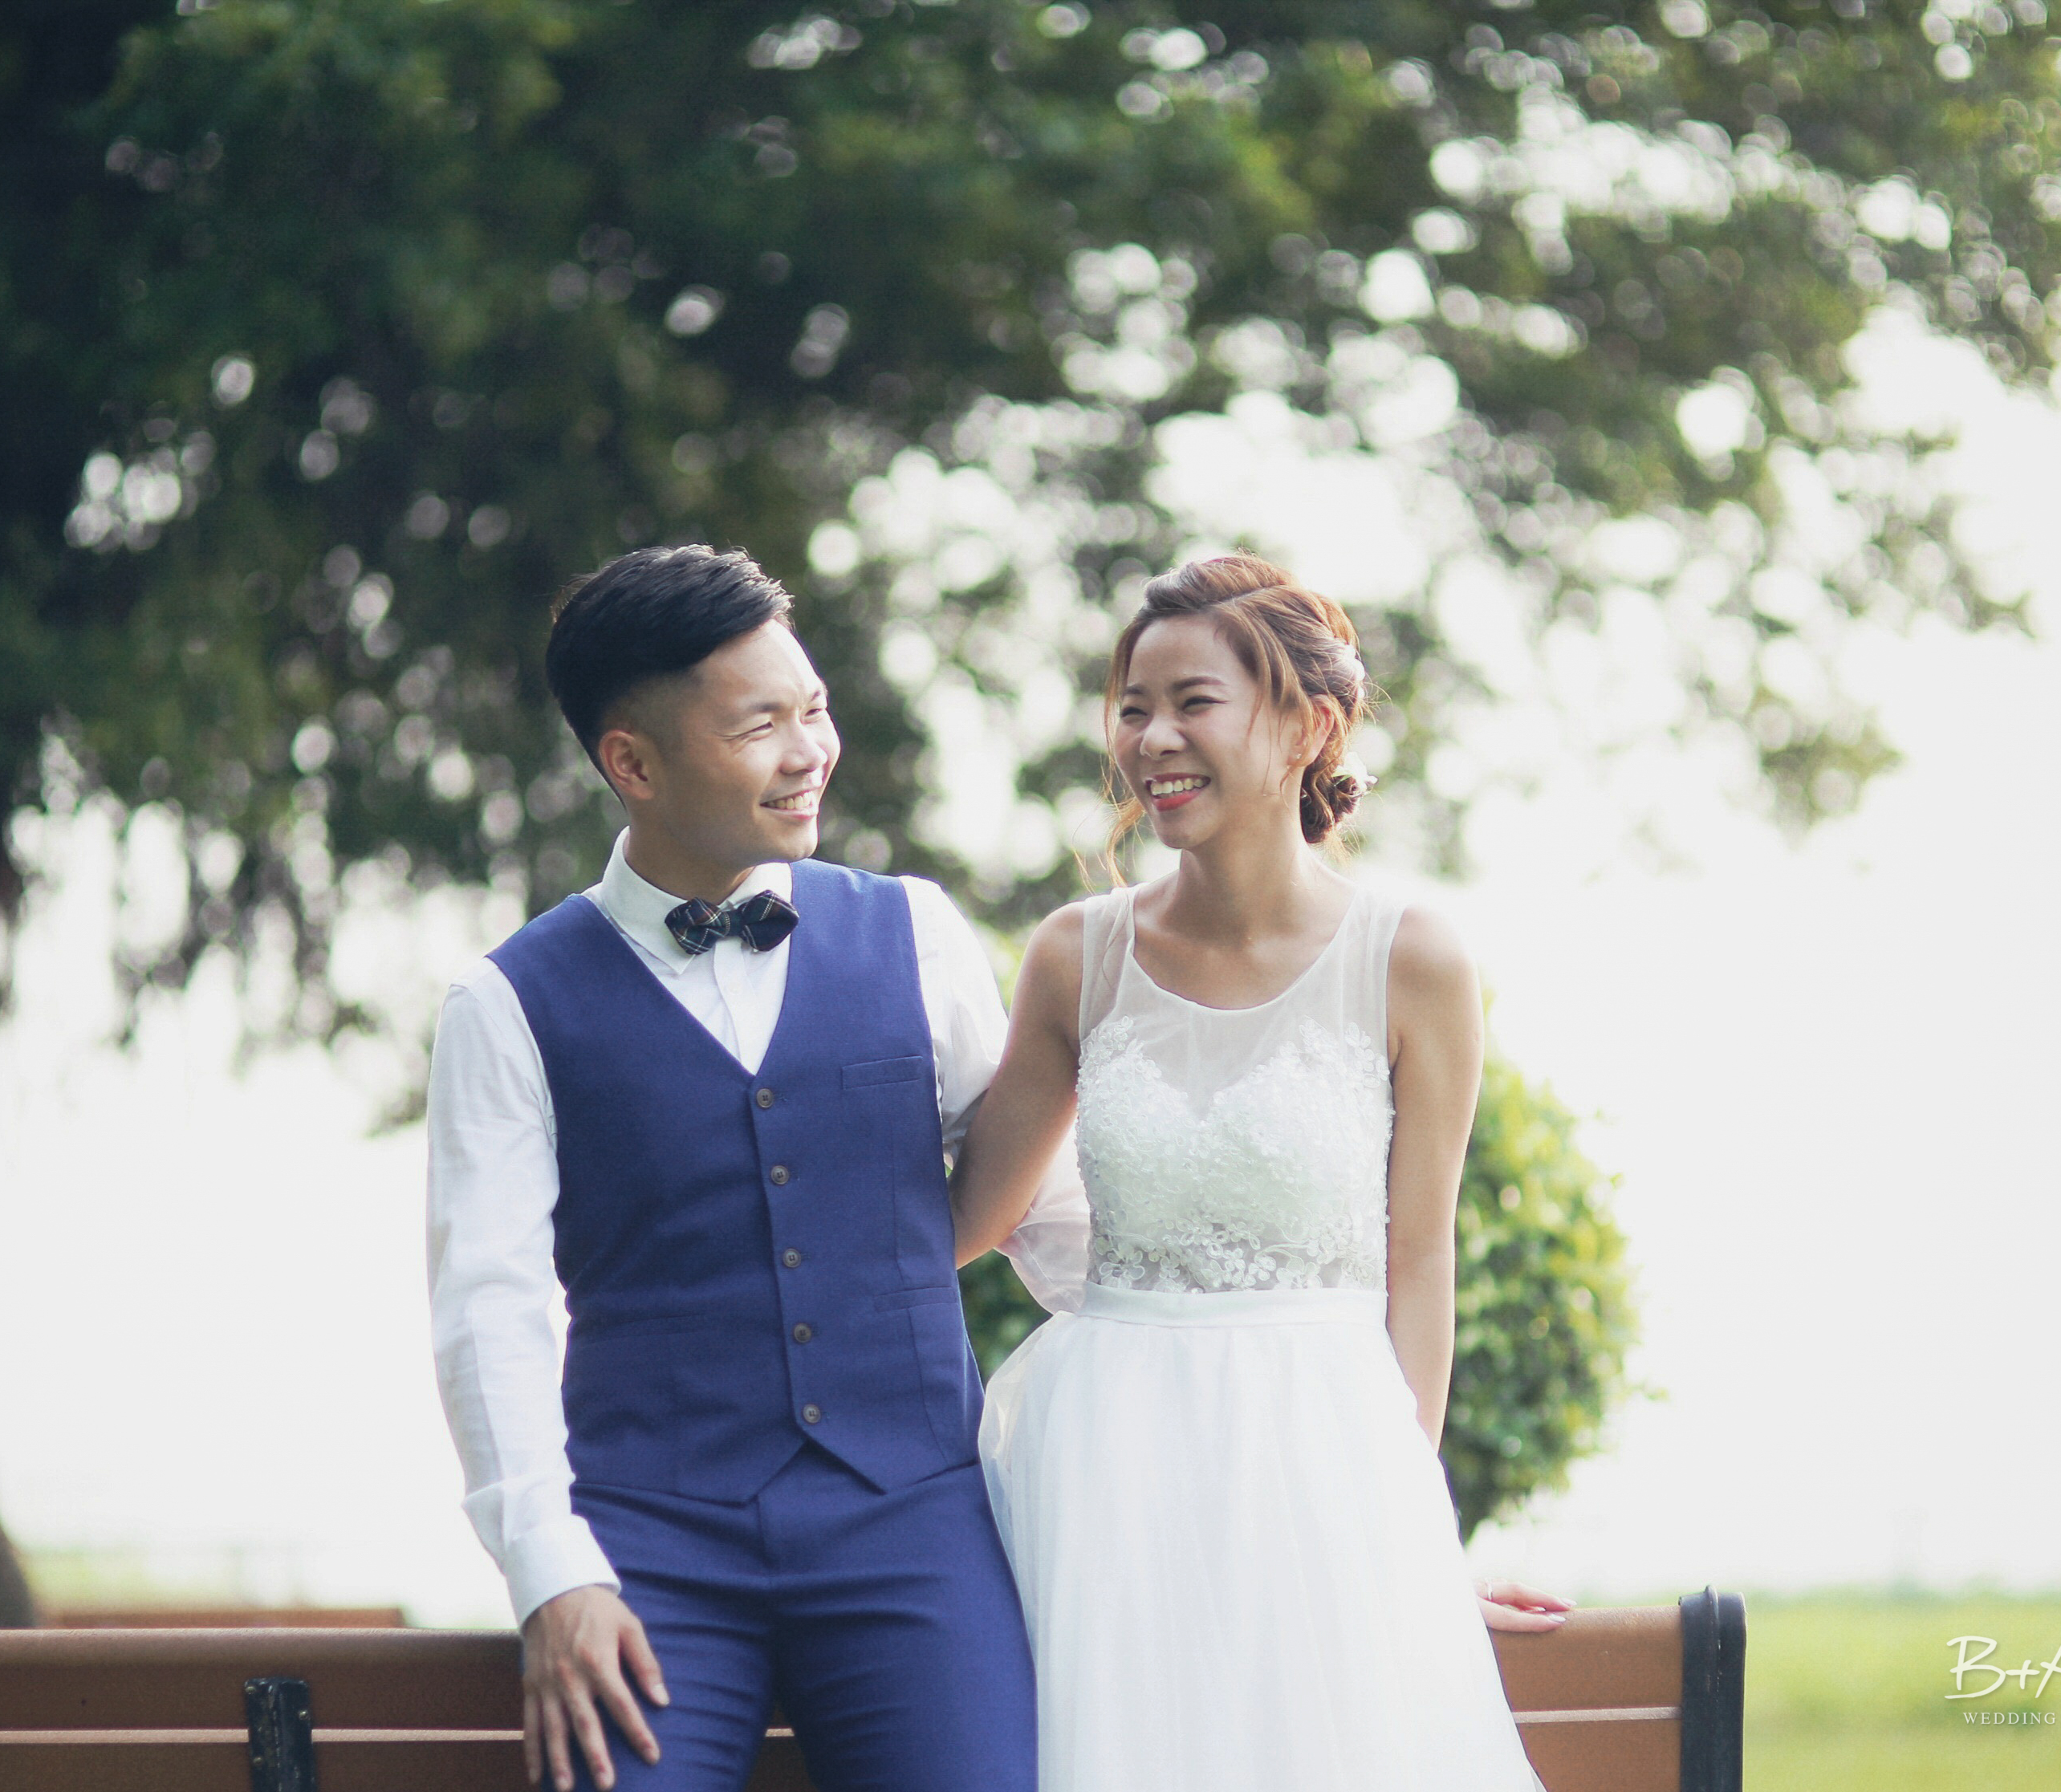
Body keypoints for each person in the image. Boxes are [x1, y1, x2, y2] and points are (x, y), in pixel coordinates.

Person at [952, 554, 1571, 1790]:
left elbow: (1418, 1258)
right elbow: (961, 1221)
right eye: (1133, 706)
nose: (1151, 739)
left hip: (1320, 1456)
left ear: (1308, 727)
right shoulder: (1076, 956)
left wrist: (1406, 1530)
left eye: (1193, 702)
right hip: (1103, 1464)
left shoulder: (1412, 958)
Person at [426, 545, 1038, 1792]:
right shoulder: (504, 1004)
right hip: (650, 1545)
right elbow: (488, 1305)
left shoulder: (918, 934)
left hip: (915, 1522)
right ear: (632, 763)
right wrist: (551, 1570)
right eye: (761, 725)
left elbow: (1054, 1221)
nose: (810, 751)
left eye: (814, 709)